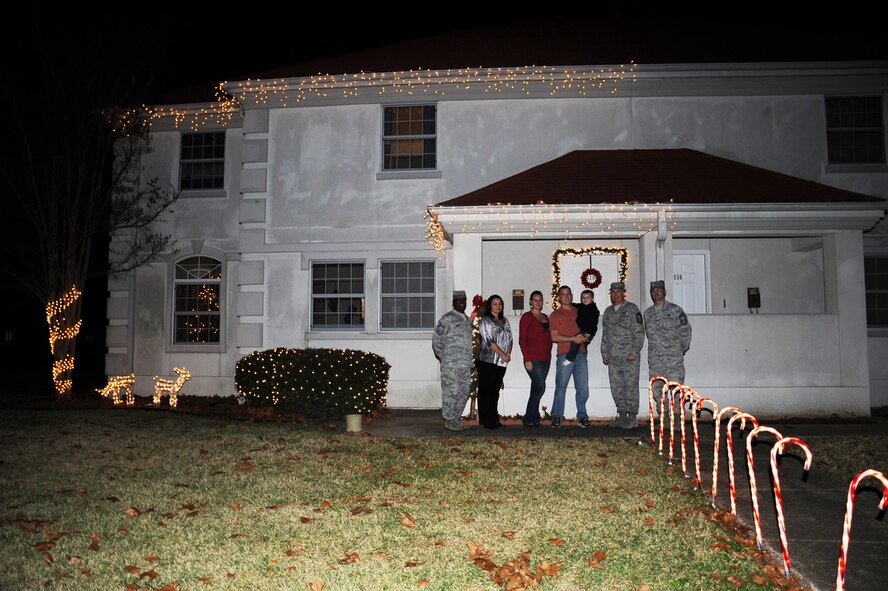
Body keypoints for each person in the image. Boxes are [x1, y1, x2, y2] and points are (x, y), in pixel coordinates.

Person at [600, 282, 646, 429]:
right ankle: (622, 415)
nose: (615, 295)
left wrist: (634, 351)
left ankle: (632, 418)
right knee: (617, 387)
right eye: (612, 292)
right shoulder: (608, 312)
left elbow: (639, 332)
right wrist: (605, 353)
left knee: (630, 386)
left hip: (629, 357)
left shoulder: (632, 309)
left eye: (618, 292)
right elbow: (605, 335)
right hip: (613, 357)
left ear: (623, 293)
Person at [549, 285, 591, 429]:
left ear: (572, 296)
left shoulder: (580, 311)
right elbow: (554, 336)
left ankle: (582, 416)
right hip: (564, 355)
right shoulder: (555, 315)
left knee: (583, 388)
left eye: (568, 294)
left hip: (581, 353)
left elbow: (589, 326)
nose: (566, 296)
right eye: (563, 294)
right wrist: (573, 338)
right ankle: (557, 416)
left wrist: (586, 337)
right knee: (561, 387)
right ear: (559, 297)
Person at [432, 290, 474, 431]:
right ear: (453, 302)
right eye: (459, 300)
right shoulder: (447, 319)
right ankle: (449, 420)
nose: (462, 302)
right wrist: (445, 358)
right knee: (452, 392)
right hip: (451, 365)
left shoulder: (467, 320)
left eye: (464, 300)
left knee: (464, 391)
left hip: (465, 365)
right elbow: (437, 341)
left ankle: (456, 418)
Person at [475, 294, 513, 429]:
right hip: (487, 360)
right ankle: (486, 421)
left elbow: (510, 339)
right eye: (495, 303)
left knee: (495, 391)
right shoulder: (485, 321)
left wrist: (507, 354)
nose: (498, 306)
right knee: (486, 391)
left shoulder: (505, 321)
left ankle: (494, 419)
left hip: (501, 362)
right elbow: (489, 341)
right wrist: (503, 354)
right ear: (490, 306)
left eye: (500, 304)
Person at [644, 280, 692, 386]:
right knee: (657, 392)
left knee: (676, 390)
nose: (656, 292)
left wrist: (679, 350)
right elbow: (649, 335)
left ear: (664, 292)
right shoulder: (648, 313)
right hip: (655, 361)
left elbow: (686, 331)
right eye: (653, 290)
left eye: (659, 290)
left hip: (673, 360)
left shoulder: (675, 310)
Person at [518, 290, 552, 427]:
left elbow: (548, 336)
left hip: (546, 358)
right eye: (535, 300)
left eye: (540, 300)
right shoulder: (527, 317)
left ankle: (533, 416)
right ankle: (529, 417)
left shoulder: (545, 317)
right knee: (540, 387)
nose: (538, 302)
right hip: (533, 358)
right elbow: (522, 340)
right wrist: (527, 359)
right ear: (530, 302)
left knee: (536, 387)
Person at [562, 289, 599, 365]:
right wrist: (568, 303)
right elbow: (574, 305)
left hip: (588, 330)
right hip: (582, 329)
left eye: (588, 297)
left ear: (592, 299)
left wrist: (588, 333)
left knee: (576, 341)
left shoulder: (593, 309)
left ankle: (570, 358)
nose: (585, 299)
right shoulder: (581, 306)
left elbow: (593, 322)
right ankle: (583, 356)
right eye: (583, 298)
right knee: (582, 345)